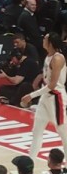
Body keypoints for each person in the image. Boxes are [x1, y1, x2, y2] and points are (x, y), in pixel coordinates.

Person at [22, 32, 67, 161]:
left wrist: (31, 95)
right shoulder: (48, 56)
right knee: (37, 131)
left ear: (51, 43)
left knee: (64, 134)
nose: (43, 40)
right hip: (46, 97)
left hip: (56, 98)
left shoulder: (58, 58)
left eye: (45, 39)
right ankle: (29, 165)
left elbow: (52, 85)